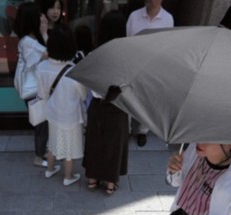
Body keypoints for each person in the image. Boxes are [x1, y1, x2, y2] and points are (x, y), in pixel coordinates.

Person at [83, 10, 129, 195]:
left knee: (95, 141)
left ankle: (92, 179)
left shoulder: (94, 53)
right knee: (114, 144)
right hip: (117, 105)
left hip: (96, 104)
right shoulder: (126, 56)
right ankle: (110, 183)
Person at [37, 25, 87, 186]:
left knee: (53, 142)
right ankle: (68, 177)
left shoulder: (42, 67)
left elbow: (42, 94)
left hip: (52, 113)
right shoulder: (74, 71)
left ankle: (49, 169)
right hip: (70, 116)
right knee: (70, 149)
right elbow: (83, 95)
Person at [125, 0, 173, 147]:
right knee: (128, 96)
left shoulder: (167, 19)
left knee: (149, 100)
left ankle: (142, 130)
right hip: (134, 64)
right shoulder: (134, 16)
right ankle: (126, 129)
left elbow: (168, 45)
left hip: (154, 67)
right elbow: (127, 41)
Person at [13, 1, 49, 168]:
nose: (43, 17)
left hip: (34, 88)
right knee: (41, 124)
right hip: (33, 90)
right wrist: (45, 32)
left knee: (42, 123)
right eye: (39, 15)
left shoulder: (28, 39)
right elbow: (49, 54)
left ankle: (43, 152)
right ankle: (39, 156)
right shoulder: (28, 41)